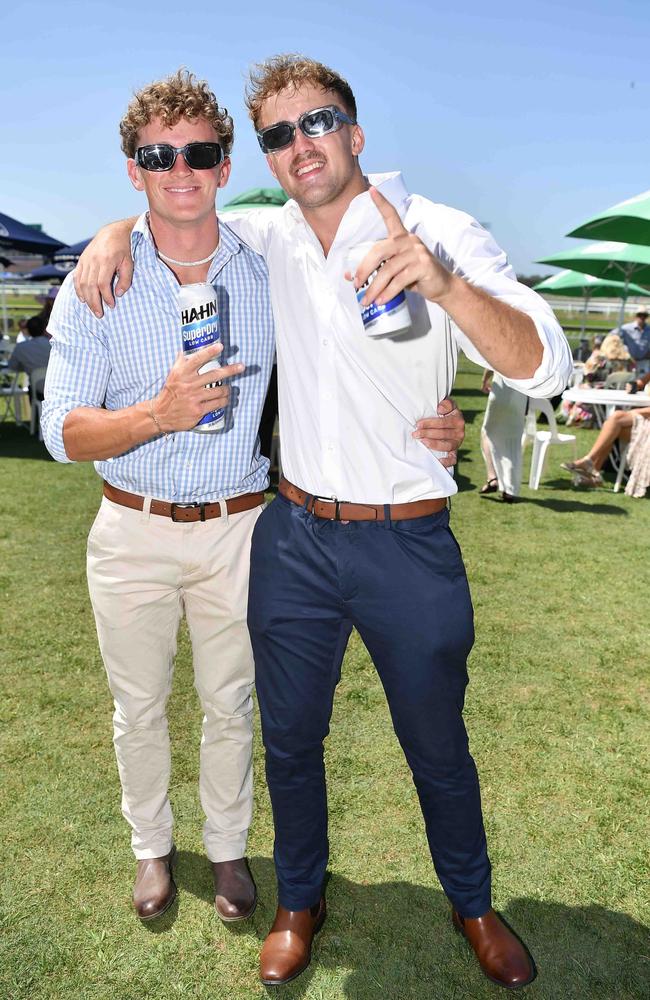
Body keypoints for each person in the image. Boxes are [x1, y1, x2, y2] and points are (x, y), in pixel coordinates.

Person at [74, 55, 571, 989]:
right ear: (260, 154)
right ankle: (299, 901)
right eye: (276, 134)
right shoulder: (268, 235)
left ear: (354, 133)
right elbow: (179, 210)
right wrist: (112, 233)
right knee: (292, 742)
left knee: (437, 745)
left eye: (316, 122)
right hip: (295, 534)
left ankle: (471, 903)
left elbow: (546, 367)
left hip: (408, 539)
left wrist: (446, 286)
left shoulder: (437, 229)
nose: (297, 145)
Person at [42, 69, 277, 925]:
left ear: (223, 167)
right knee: (136, 707)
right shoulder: (96, 280)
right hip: (131, 527)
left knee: (232, 703)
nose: (181, 168)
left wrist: (429, 410)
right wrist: (158, 415)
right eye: (159, 154)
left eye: (200, 152)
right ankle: (150, 848)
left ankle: (226, 848)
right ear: (135, 169)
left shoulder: (267, 266)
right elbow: (61, 432)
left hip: (239, 528)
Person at [479, 369, 527, 502]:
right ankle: (509, 491)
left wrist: (484, 380)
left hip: (502, 392)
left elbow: (490, 363)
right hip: (521, 395)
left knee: (486, 433)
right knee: (512, 442)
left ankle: (492, 477)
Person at [8, 314, 51, 398]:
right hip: (57, 388)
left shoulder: (21, 347)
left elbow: (12, 366)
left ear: (28, 330)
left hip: (37, 391)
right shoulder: (53, 345)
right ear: (44, 329)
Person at [613, 308, 650, 374]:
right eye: (640, 315)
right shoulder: (626, 328)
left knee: (642, 381)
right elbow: (612, 336)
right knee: (628, 380)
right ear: (636, 316)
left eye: (644, 315)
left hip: (644, 361)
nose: (642, 317)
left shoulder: (649, 329)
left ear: (647, 317)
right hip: (628, 361)